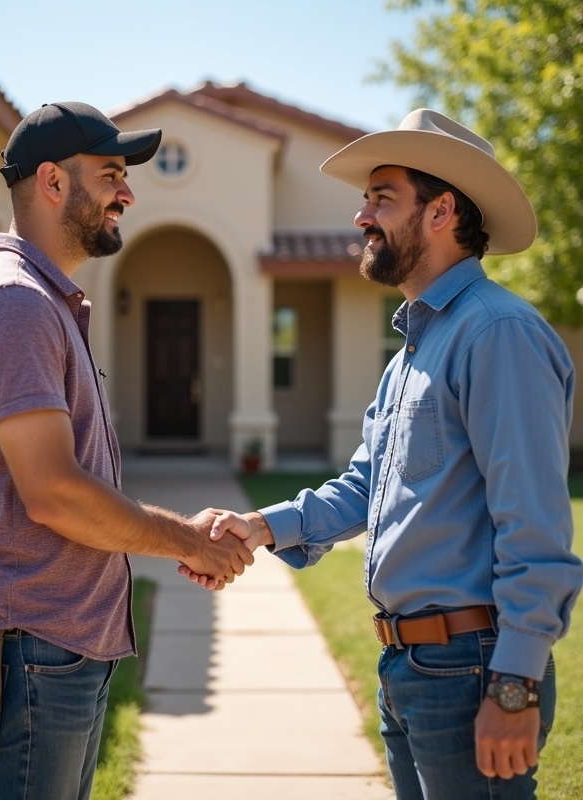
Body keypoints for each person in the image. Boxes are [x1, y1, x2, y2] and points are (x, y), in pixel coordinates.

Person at [182, 109, 583, 799]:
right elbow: (369, 487)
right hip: (412, 668)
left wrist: (514, 687)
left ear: (442, 211)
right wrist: (261, 527)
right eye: (366, 199)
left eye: (382, 197)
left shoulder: (497, 335)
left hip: (472, 668)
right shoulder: (413, 353)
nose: (362, 216)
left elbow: (536, 525)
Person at [0, 101, 253, 800]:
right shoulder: (14, 304)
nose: (129, 193)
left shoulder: (41, 302)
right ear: (52, 182)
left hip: (52, 648)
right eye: (111, 174)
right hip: (33, 650)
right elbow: (53, 491)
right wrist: (186, 542)